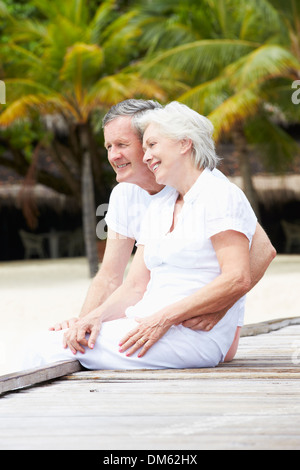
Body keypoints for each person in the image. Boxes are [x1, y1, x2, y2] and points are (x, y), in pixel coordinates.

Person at [21, 102, 273, 371]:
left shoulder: (216, 190)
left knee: (46, 350)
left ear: (178, 143)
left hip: (189, 332)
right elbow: (123, 282)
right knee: (54, 343)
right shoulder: (147, 201)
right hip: (149, 320)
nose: (113, 155)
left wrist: (218, 307)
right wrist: (87, 321)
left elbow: (253, 260)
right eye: (108, 147)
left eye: (124, 144)